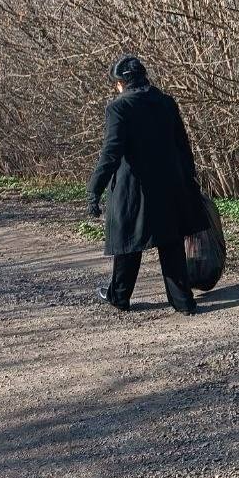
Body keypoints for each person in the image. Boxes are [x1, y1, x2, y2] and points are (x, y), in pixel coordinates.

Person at [87, 55, 209, 315]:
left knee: (128, 242)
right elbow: (183, 147)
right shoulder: (165, 102)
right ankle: (183, 302)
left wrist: (94, 189)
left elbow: (111, 153)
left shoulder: (119, 107)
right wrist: (189, 179)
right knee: (171, 241)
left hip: (135, 187)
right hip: (171, 184)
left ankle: (119, 297)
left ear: (121, 83)